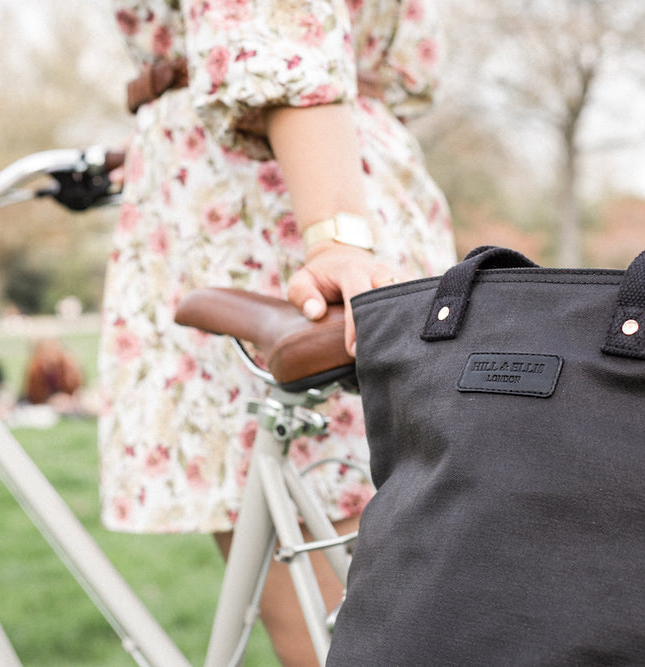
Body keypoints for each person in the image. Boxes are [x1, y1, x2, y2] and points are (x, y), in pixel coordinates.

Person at [98, 0, 458, 663]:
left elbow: (275, 33)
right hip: (343, 169)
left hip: (266, 215)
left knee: (339, 618)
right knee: (406, 577)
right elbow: (399, 70)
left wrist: (334, 238)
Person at [22, 337, 87, 416]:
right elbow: (33, 395)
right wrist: (50, 400)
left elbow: (77, 389)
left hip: (68, 401)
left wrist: (66, 399)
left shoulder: (68, 365)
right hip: (46, 403)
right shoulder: (35, 368)